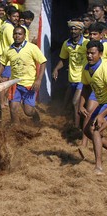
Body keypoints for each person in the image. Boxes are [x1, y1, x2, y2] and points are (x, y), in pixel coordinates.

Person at [0, 26, 47, 123]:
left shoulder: (32, 48)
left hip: (29, 84)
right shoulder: (8, 50)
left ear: (24, 36)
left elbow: (43, 62)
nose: (17, 36)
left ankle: (36, 116)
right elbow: (2, 63)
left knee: (28, 111)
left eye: (20, 34)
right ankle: (15, 130)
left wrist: (39, 80)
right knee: (13, 108)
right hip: (15, 84)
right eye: (15, 34)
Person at [52, 20, 88, 128]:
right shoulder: (66, 43)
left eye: (76, 29)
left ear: (81, 31)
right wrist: (56, 69)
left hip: (83, 79)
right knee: (70, 104)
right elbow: (63, 59)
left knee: (75, 102)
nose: (73, 31)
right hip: (72, 79)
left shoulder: (86, 43)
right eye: (72, 28)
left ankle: (76, 128)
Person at [79, 40, 107, 175]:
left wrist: (101, 115)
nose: (89, 56)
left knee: (94, 128)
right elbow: (86, 86)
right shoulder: (86, 68)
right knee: (86, 130)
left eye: (93, 53)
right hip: (103, 103)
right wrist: (80, 104)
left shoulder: (105, 69)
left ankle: (98, 167)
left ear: (100, 54)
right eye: (88, 53)